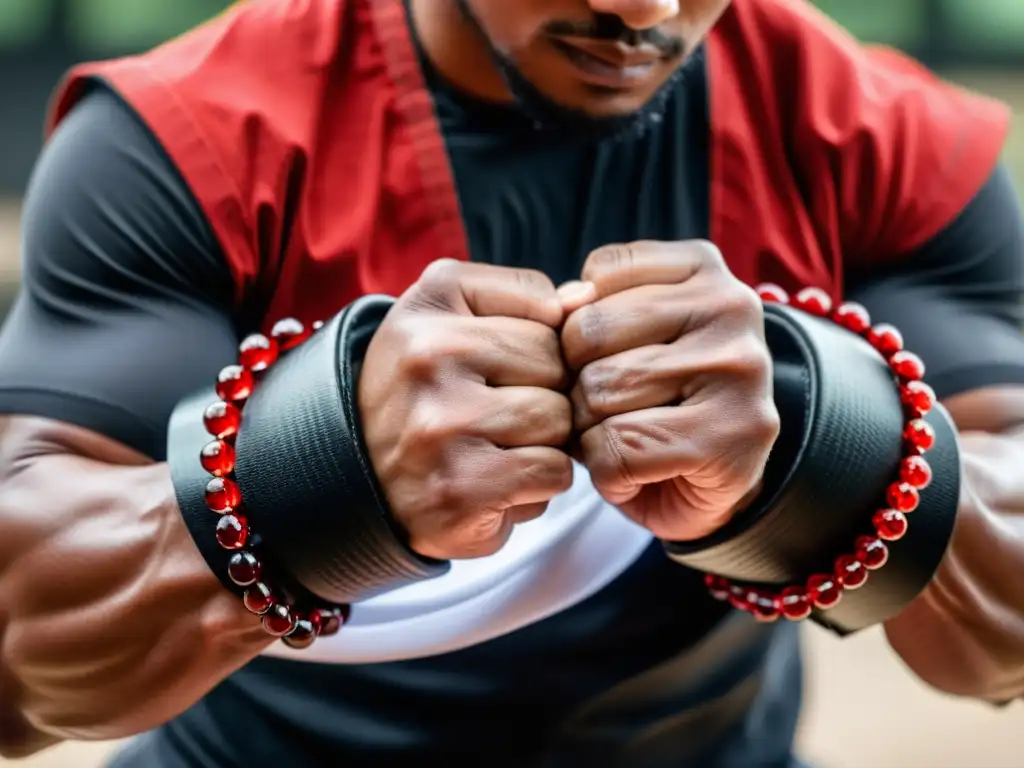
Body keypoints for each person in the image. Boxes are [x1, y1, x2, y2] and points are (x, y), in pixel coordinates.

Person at [0, 0, 1022, 765]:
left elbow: (1004, 645)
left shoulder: (877, 138)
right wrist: (308, 476)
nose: (646, 8)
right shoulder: (193, 138)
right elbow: (15, 663)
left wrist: (826, 439)